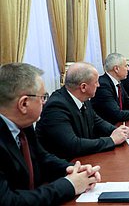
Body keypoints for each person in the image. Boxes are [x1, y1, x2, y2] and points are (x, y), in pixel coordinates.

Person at [0, 63, 101, 205]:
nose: (44, 102)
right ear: (23, 104)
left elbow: (42, 158)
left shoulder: (24, 125)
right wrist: (69, 185)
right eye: (43, 97)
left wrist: (70, 169)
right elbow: (8, 201)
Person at [36, 62, 129, 161]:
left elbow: (97, 120)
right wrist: (111, 140)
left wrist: (117, 131)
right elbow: (73, 145)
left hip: (84, 159)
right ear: (83, 87)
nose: (98, 85)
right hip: (65, 167)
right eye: (96, 82)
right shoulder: (56, 107)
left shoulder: (83, 98)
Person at [91, 53, 129, 124]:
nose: (128, 69)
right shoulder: (103, 85)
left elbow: (128, 101)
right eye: (126, 66)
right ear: (116, 69)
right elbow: (117, 114)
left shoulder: (118, 81)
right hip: (108, 127)